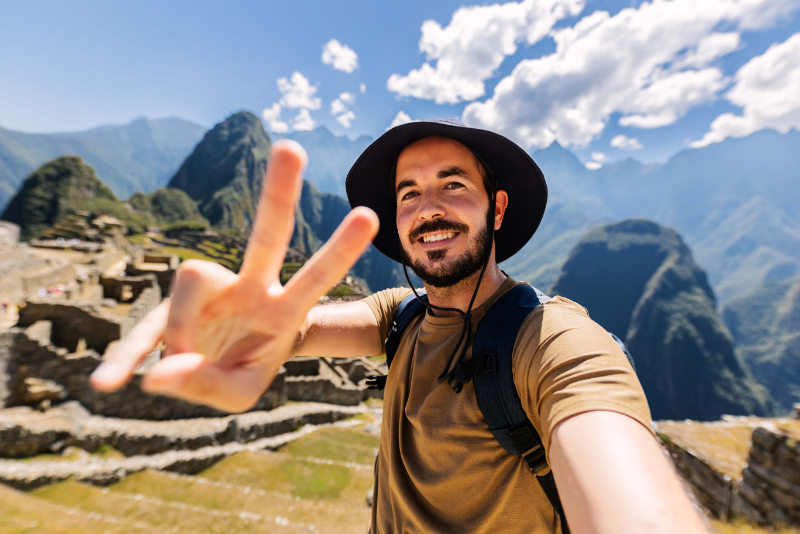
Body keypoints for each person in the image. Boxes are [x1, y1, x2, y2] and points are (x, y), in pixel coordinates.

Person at [91, 120, 708, 533]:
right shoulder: (403, 315)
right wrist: (261, 336)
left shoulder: (553, 342)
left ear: (497, 207)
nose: (427, 207)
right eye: (408, 193)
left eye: (453, 185)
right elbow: (301, 331)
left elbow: (630, 498)